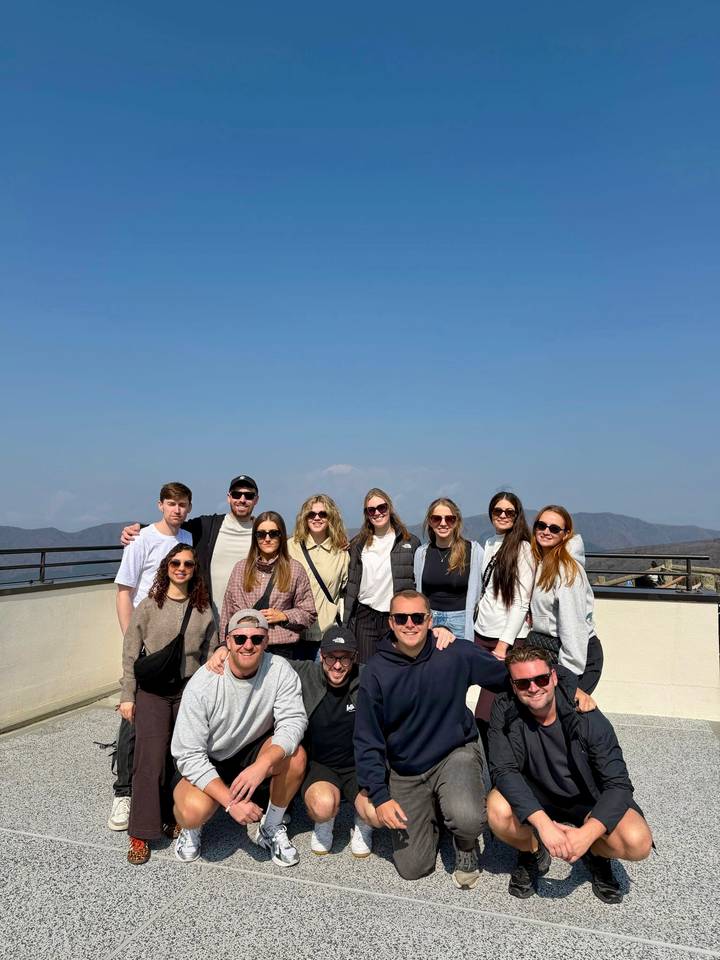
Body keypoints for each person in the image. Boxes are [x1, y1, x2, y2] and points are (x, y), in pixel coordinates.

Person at [354, 589, 508, 889]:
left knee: (467, 817)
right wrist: (380, 796)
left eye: (418, 618)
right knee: (413, 868)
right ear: (391, 623)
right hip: (407, 769)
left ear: (430, 620)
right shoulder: (375, 671)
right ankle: (435, 811)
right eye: (401, 618)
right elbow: (367, 739)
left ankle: (464, 842)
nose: (410, 624)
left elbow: (508, 677)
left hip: (454, 753)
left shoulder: (454, 652)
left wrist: (565, 686)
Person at [487, 645, 653, 903]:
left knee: (637, 841)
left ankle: (596, 854)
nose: (533, 687)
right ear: (513, 684)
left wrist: (587, 834)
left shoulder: (586, 716)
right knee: (497, 808)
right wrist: (542, 824)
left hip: (587, 799)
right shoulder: (504, 710)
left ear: (553, 677)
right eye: (522, 683)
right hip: (537, 796)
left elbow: (618, 785)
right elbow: (503, 770)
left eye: (541, 679)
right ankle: (532, 850)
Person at [171, 609, 307, 866]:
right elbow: (188, 754)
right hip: (210, 757)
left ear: (266, 641)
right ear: (228, 641)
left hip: (252, 751)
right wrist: (231, 803)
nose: (248, 645)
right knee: (191, 812)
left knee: (296, 756)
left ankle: (271, 827)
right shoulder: (204, 683)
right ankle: (191, 830)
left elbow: (293, 721)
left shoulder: (279, 670)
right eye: (240, 638)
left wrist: (263, 765)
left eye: (256, 639)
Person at [120, 544, 217, 864]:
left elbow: (210, 657)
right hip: (152, 692)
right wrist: (127, 696)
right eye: (175, 562)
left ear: (195, 570)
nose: (181, 568)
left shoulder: (204, 609)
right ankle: (140, 832)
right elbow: (131, 653)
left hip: (188, 691)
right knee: (149, 760)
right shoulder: (149, 606)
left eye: (188, 564)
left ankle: (172, 815)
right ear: (166, 567)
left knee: (182, 759)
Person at [109, 481, 193, 832]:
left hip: (179, 644)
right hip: (147, 643)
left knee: (170, 719)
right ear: (160, 505)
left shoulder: (187, 540)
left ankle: (162, 794)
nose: (177, 510)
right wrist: (133, 640)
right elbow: (124, 592)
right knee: (134, 716)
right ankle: (124, 792)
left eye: (183, 505)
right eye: (171, 504)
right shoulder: (141, 539)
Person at [120, 475, 260, 618]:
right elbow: (169, 527)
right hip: (208, 615)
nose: (242, 499)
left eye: (248, 496)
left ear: (256, 500)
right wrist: (138, 529)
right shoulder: (208, 526)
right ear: (229, 497)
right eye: (237, 494)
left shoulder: (263, 532)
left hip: (248, 616)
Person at [473, 492, 535, 752]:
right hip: (482, 632)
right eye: (498, 510)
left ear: (517, 515)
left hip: (505, 641)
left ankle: (501, 770)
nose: (502, 515)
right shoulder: (488, 543)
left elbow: (521, 602)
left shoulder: (523, 548)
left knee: (487, 713)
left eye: (509, 512)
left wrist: (503, 645)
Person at [219, 512, 317, 659]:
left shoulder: (295, 569)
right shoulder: (240, 569)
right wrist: (223, 645)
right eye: (261, 534)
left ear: (281, 536)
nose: (267, 539)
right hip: (245, 646)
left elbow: (309, 613)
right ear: (255, 538)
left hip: (281, 650)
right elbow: (228, 613)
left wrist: (284, 615)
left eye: (273, 533)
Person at [529, 505, 603, 693]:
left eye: (554, 529)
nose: (546, 531)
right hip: (550, 649)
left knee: (568, 715)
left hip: (574, 656)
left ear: (566, 534)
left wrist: (567, 675)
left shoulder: (567, 571)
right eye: (541, 525)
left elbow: (573, 626)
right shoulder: (541, 562)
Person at [343, 488, 421, 663]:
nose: (377, 513)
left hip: (397, 617)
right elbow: (351, 580)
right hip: (365, 616)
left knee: (398, 668)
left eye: (382, 507)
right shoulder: (358, 543)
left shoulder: (410, 542)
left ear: (390, 508)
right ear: (366, 514)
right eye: (371, 510)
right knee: (366, 670)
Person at [288, 494, 350, 659]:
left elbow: (346, 592)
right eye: (311, 514)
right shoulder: (289, 548)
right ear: (304, 517)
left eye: (323, 514)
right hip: (293, 636)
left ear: (331, 518)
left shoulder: (341, 553)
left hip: (326, 637)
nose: (317, 518)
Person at [413, 498, 483, 641]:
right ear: (430, 522)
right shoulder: (421, 553)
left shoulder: (473, 550)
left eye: (449, 519)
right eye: (436, 518)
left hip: (461, 621)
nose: (443, 523)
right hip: (429, 620)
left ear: (456, 521)